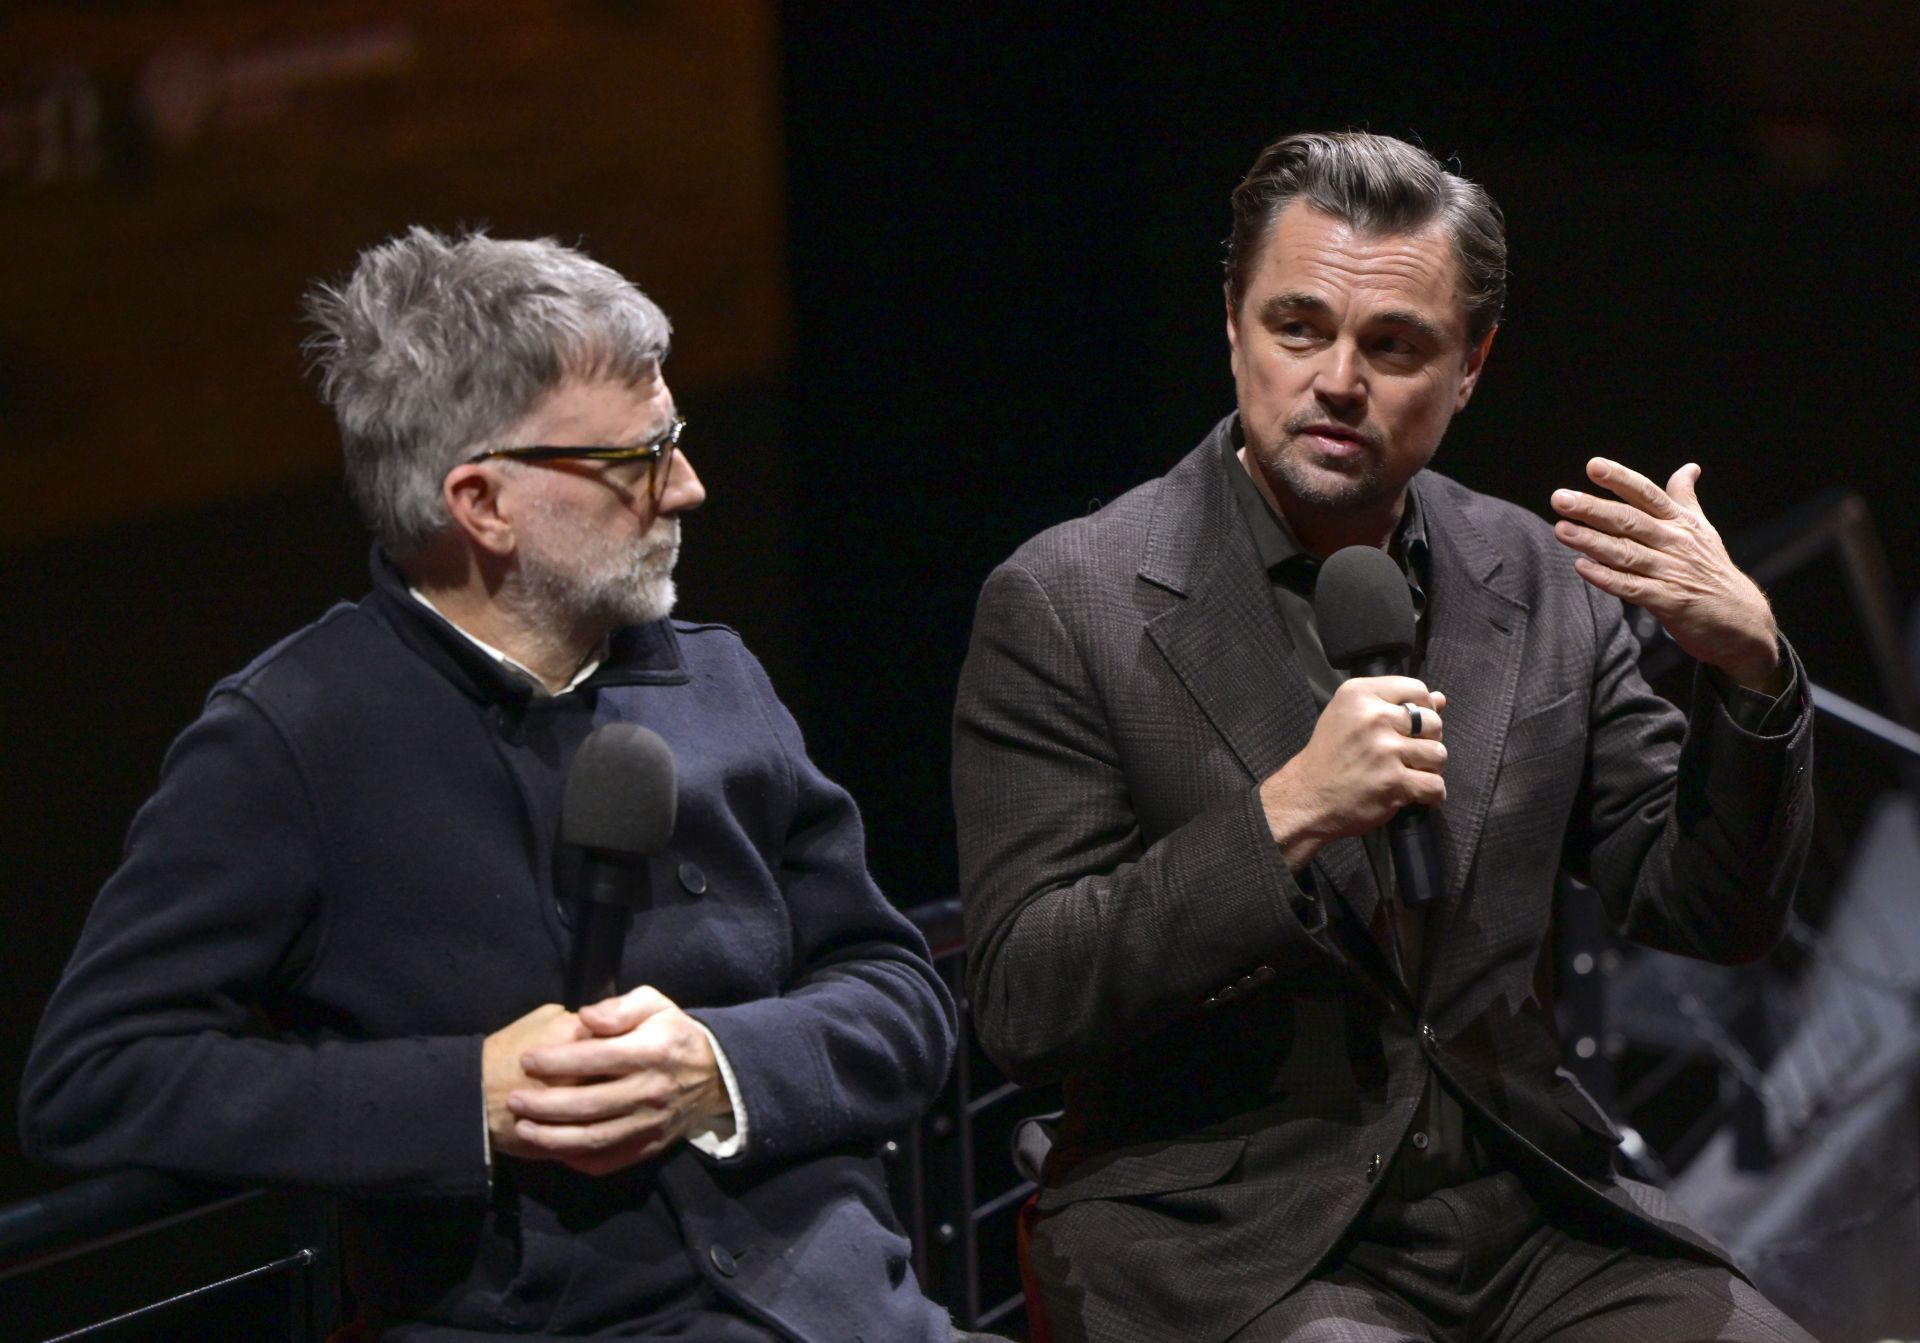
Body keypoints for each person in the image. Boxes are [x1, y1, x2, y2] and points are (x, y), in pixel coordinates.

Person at [22, 228, 977, 1343]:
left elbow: (901, 995)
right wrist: (465, 1094)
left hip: (850, 1313)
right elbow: (95, 1075)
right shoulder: (291, 739)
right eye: (638, 459)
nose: (688, 487)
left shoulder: (714, 674)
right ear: (482, 502)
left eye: (676, 439)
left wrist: (718, 1067)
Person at [952, 132, 1816, 1342]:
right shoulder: (1068, 600)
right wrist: (1283, 818)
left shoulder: (1532, 571)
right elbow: (1023, 997)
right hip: (1229, 1234)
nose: (1338, 379)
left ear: (1471, 366)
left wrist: (1752, 670)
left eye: (1395, 345)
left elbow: (1708, 910)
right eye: (1298, 327)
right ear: (1234, 326)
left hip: (1527, 1210)